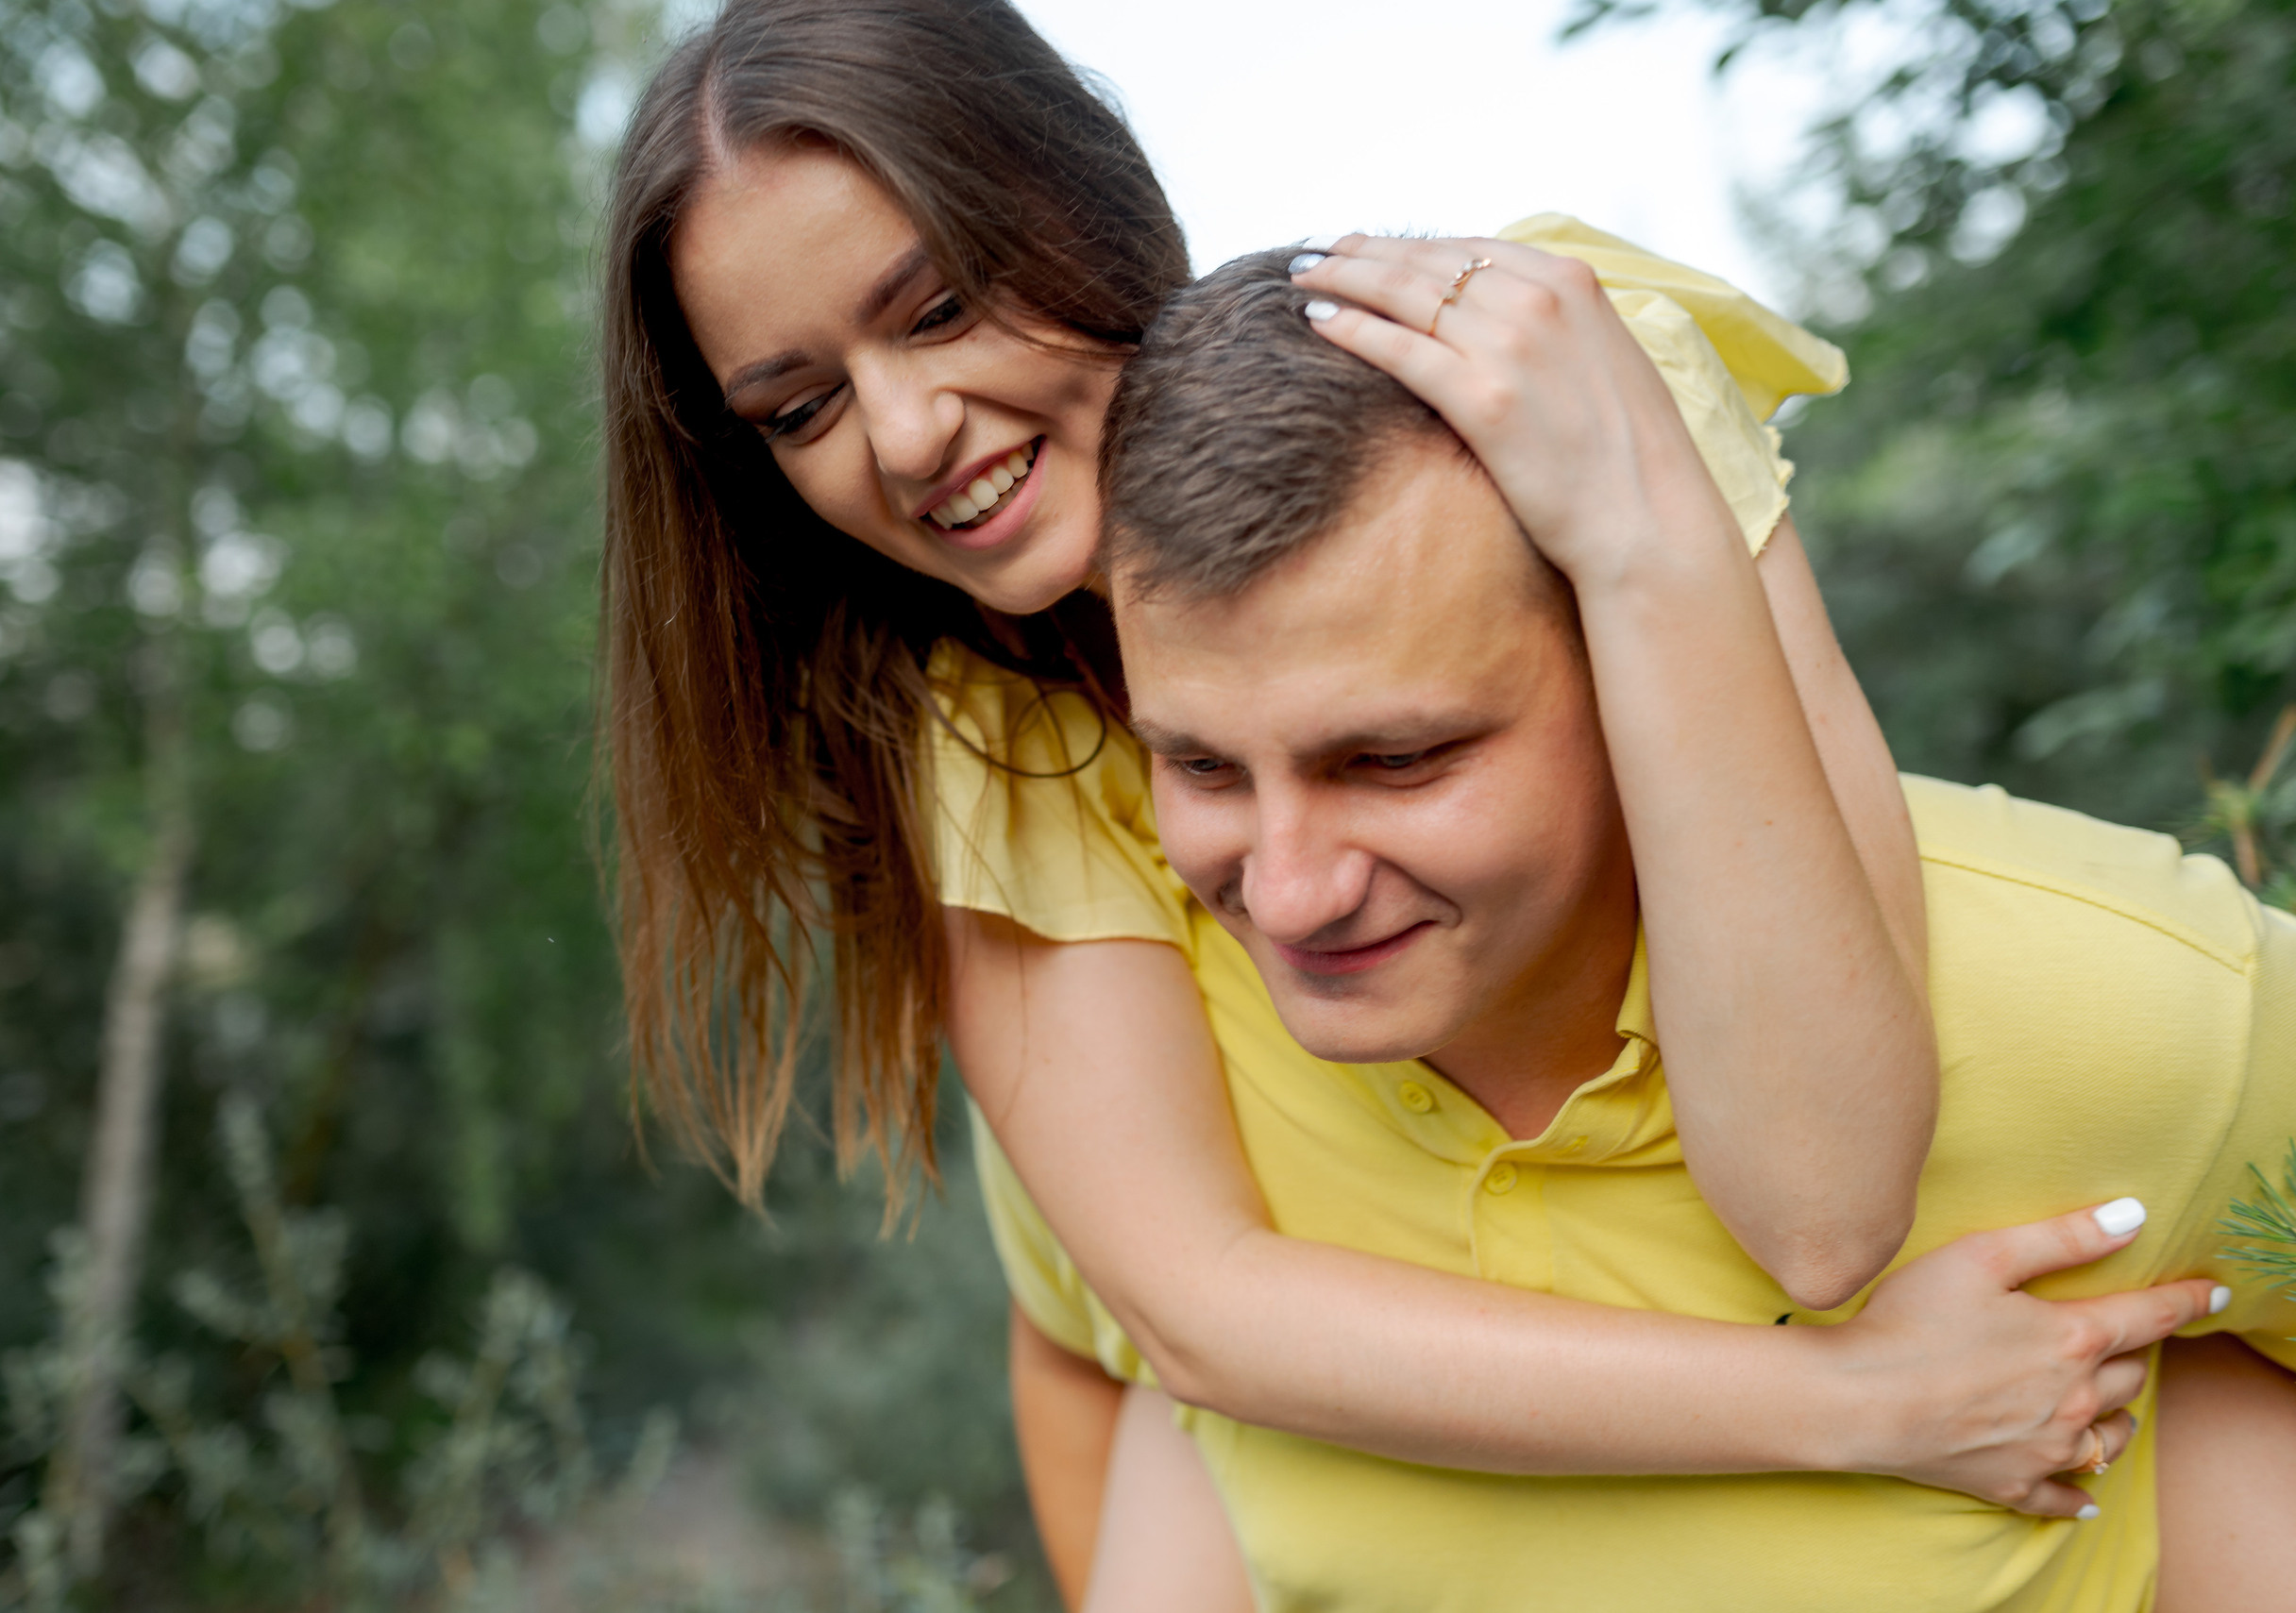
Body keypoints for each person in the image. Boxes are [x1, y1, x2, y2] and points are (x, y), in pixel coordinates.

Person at [594, 0, 2238, 1605]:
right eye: (800, 408)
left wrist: (1642, 529)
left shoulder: (1529, 385)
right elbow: (1191, 1320)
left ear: (1078, 203)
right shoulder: (989, 731)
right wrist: (1867, 1404)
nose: (903, 434)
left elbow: (1822, 1190)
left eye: (941, 308)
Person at [977, 238, 2296, 1611]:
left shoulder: (2128, 1007)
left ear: (1632, 678)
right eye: (1201, 766)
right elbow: (1087, 1360)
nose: (1291, 894)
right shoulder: (1154, 1065)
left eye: (1397, 760)